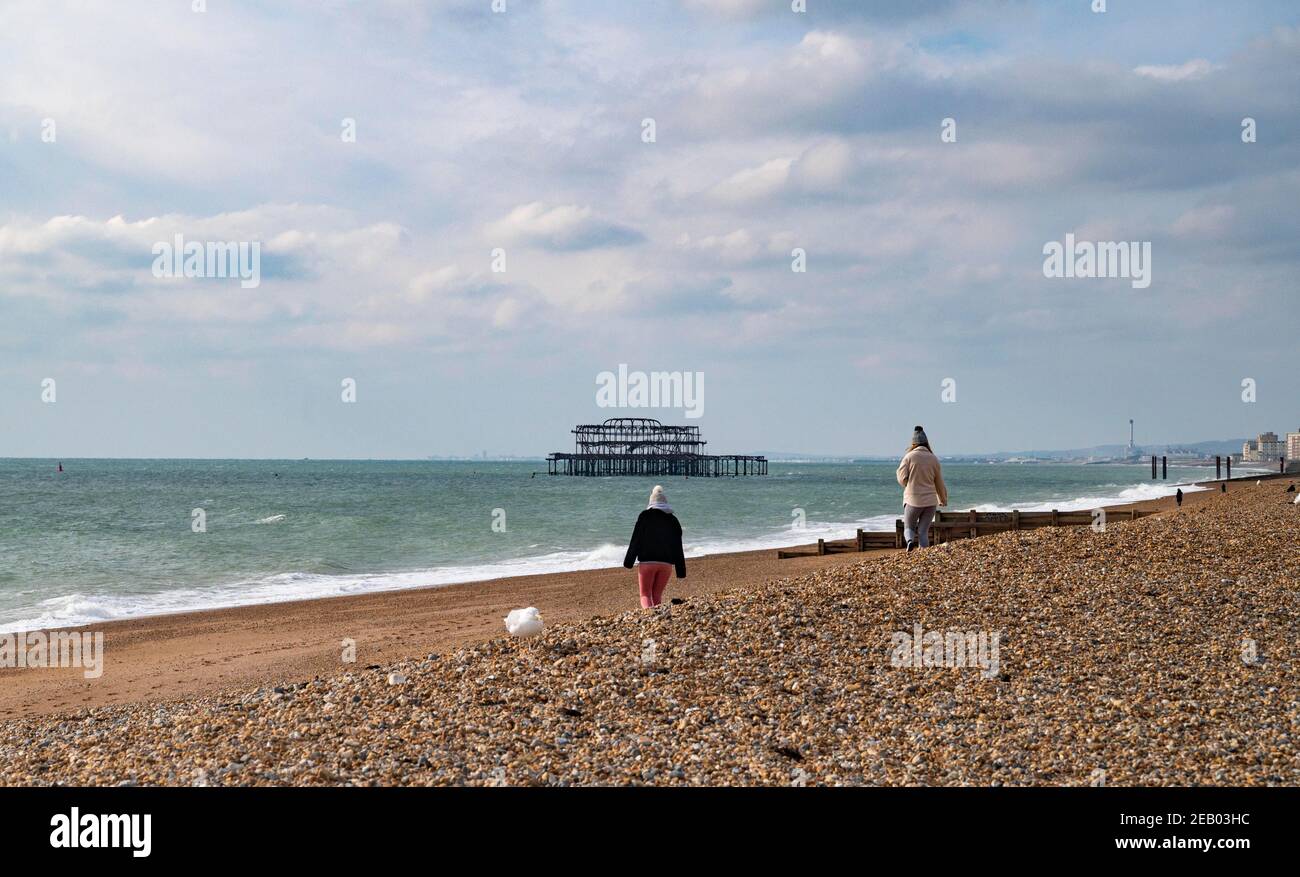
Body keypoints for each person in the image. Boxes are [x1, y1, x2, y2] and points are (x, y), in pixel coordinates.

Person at [623, 485, 686, 608]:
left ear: (651, 502)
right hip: (666, 564)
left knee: (645, 595)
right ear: (665, 503)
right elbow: (678, 546)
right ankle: (657, 619)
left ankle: (649, 618)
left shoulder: (644, 516)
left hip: (647, 562)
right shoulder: (673, 520)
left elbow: (636, 540)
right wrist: (681, 570)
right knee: (657, 595)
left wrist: (628, 561)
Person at [896, 426, 948, 551]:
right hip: (930, 501)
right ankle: (924, 553)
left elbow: (902, 477)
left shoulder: (909, 457)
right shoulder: (933, 458)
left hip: (913, 500)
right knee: (923, 531)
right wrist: (943, 499)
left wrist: (908, 484)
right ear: (926, 442)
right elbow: (939, 482)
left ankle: (909, 542)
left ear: (913, 443)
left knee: (909, 527)